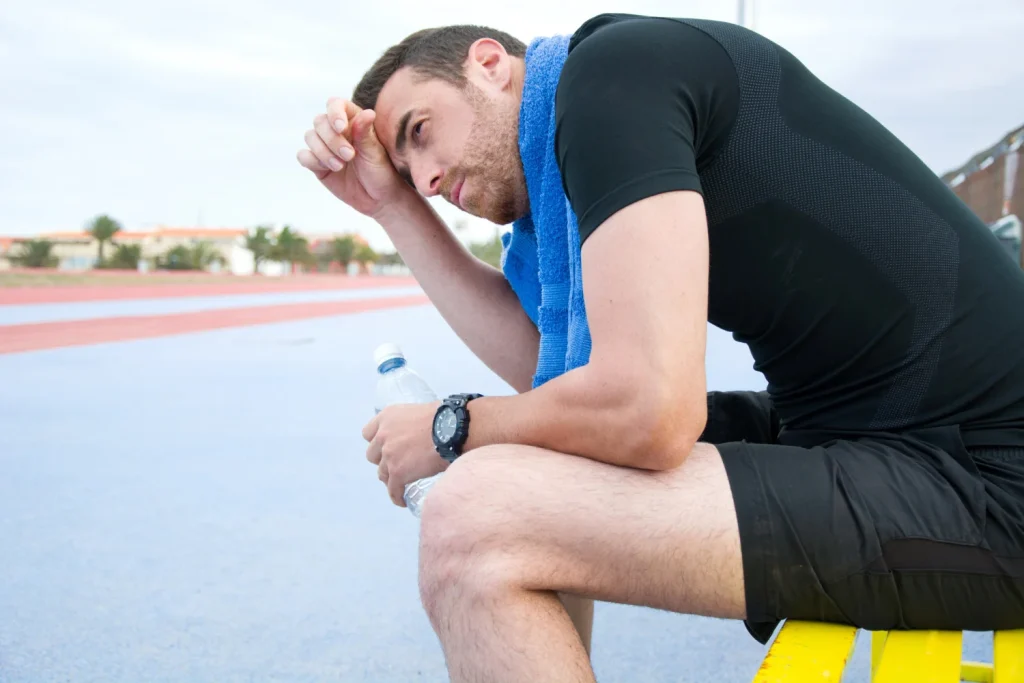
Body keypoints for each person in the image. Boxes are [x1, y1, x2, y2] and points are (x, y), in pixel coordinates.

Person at [297, 12, 1024, 683]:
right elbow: (554, 385)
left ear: (490, 65)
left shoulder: (610, 84)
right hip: (876, 433)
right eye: (408, 173)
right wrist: (390, 205)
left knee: (472, 522)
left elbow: (648, 411)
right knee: (536, 452)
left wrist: (449, 426)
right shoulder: (609, 90)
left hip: (985, 482)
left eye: (421, 130)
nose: (425, 177)